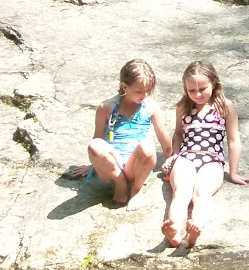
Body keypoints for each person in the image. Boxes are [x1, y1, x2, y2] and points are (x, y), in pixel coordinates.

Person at [162, 60, 249, 248]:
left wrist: (233, 172)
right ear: (185, 88)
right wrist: (173, 157)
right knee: (181, 192)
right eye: (191, 90)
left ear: (214, 84)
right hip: (186, 157)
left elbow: (233, 140)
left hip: (212, 159)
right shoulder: (183, 107)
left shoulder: (224, 106)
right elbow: (179, 134)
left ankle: (195, 228)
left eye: (202, 89)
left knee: (202, 193)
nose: (197, 94)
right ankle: (173, 230)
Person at [68, 59, 172, 207]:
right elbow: (98, 139)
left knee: (148, 147)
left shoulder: (150, 106)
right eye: (139, 91)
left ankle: (136, 190)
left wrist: (171, 161)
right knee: (94, 145)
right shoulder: (106, 107)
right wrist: (94, 165)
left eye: (148, 90)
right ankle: (120, 183)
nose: (144, 95)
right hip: (113, 166)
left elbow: (164, 140)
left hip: (135, 166)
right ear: (124, 87)